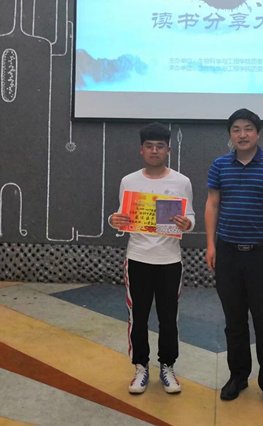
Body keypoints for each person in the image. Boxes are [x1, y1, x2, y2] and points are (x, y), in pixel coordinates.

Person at [205, 108, 263, 416]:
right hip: (228, 252)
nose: (242, 134)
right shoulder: (220, 165)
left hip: (262, 254)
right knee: (234, 321)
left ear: (258, 133)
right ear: (230, 134)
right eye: (236, 129)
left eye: (248, 129)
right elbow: (212, 203)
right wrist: (210, 244)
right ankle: (238, 376)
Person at [108, 122, 195, 395]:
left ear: (168, 150)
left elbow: (190, 216)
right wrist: (113, 220)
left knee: (169, 319)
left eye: (160, 146)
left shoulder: (181, 182)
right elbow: (123, 216)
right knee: (138, 317)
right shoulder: (129, 181)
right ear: (141, 150)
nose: (154, 151)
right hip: (138, 258)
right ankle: (140, 367)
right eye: (149, 146)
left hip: (169, 260)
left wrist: (187, 224)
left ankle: (167, 366)